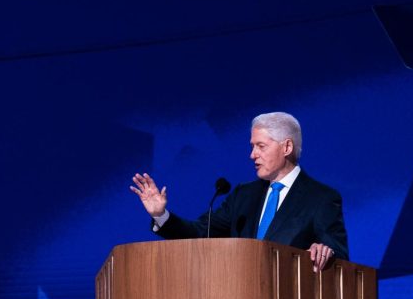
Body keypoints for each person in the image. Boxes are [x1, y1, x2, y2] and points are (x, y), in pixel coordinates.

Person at [130, 112, 348, 273]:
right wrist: (160, 215)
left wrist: (325, 252)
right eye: (252, 146)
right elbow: (199, 233)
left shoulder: (321, 198)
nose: (252, 155)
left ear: (287, 147)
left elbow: (339, 256)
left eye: (260, 146)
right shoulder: (243, 195)